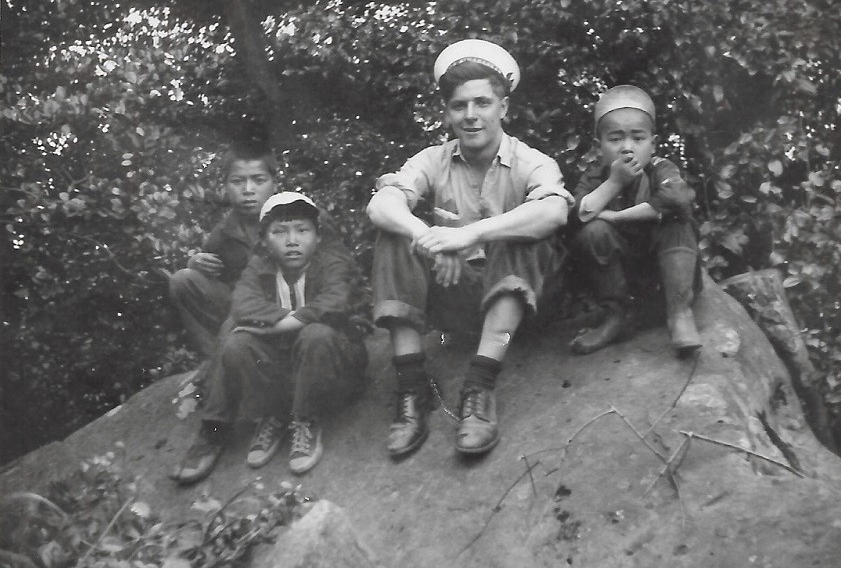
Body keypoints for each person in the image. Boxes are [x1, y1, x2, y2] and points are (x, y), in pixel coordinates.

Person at [367, 39, 572, 458]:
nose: (471, 115)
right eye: (459, 106)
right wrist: (425, 236)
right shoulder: (433, 159)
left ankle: (479, 388)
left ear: (504, 108)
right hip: (460, 301)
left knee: (520, 230)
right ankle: (412, 389)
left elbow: (554, 212)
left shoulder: (533, 161)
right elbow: (381, 204)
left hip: (521, 302)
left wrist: (470, 235)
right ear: (447, 113)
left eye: (483, 103)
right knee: (394, 234)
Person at [171, 191, 369, 484]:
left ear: (318, 237)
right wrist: (285, 320)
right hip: (283, 372)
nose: (292, 240)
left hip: (334, 367)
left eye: (302, 230)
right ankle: (239, 423)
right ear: (264, 240)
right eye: (279, 232)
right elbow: (243, 305)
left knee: (316, 334)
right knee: (236, 343)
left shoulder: (332, 263)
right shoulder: (259, 266)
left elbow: (334, 302)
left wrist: (274, 326)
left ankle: (306, 419)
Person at [568, 85, 702, 356]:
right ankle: (617, 317)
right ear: (599, 145)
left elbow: (677, 198)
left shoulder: (660, 168)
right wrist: (614, 182)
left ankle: (679, 314)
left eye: (638, 138)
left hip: (665, 279)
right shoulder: (594, 177)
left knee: (678, 221)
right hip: (623, 283)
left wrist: (617, 217)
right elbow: (574, 216)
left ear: (653, 143)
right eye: (615, 139)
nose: (627, 148)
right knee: (592, 232)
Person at [168, 143, 277, 361]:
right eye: (238, 181)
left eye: (258, 180)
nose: (248, 189)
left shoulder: (295, 218)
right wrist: (196, 263)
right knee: (182, 280)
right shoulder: (224, 232)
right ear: (226, 185)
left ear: (274, 183)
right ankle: (214, 363)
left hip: (285, 306)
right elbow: (212, 281)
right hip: (239, 310)